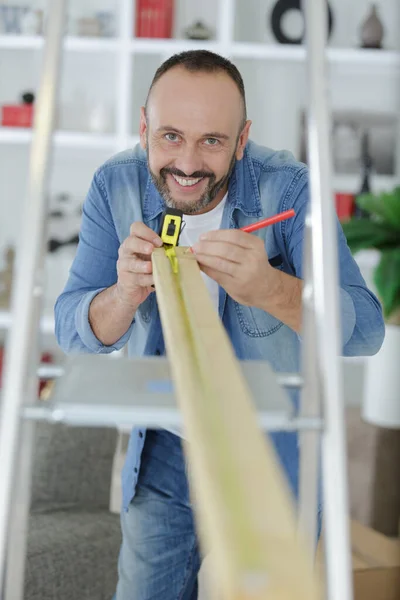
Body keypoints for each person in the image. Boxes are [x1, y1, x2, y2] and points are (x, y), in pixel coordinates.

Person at [55, 50, 385, 600]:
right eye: (169, 136)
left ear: (242, 138)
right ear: (143, 128)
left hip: (272, 446)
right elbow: (72, 329)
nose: (187, 163)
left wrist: (272, 290)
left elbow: (367, 330)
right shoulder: (114, 185)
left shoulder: (290, 187)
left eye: (212, 140)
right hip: (165, 441)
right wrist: (123, 294)